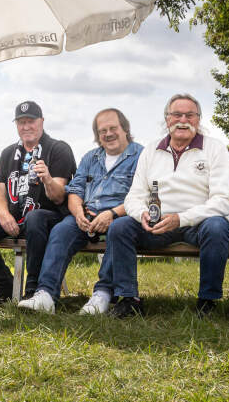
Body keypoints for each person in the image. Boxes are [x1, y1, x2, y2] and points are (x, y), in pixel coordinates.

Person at [108, 94, 229, 317]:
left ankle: (208, 302)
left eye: (190, 115)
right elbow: (133, 197)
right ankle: (129, 300)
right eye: (176, 114)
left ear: (199, 119)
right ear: (167, 119)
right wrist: (142, 214)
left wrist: (181, 218)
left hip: (198, 224)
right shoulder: (151, 150)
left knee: (218, 226)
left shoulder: (215, 148)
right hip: (158, 224)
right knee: (120, 227)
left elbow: (223, 201)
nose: (183, 120)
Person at [19, 108, 143, 313]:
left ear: (125, 129)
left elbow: (142, 195)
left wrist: (112, 214)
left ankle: (102, 295)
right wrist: (77, 213)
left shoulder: (141, 155)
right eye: (102, 131)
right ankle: (46, 295)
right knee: (61, 230)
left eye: (113, 128)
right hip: (86, 216)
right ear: (97, 135)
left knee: (118, 230)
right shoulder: (90, 158)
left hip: (121, 216)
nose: (108, 134)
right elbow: (75, 191)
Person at [0, 101, 76, 303]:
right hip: (17, 216)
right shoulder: (8, 153)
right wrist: (4, 215)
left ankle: (33, 290)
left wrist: (48, 179)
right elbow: (0, 193)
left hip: (50, 217)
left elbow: (59, 197)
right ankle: (6, 286)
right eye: (21, 122)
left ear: (41, 122)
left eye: (31, 121)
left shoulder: (58, 149)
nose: (26, 126)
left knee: (35, 218)